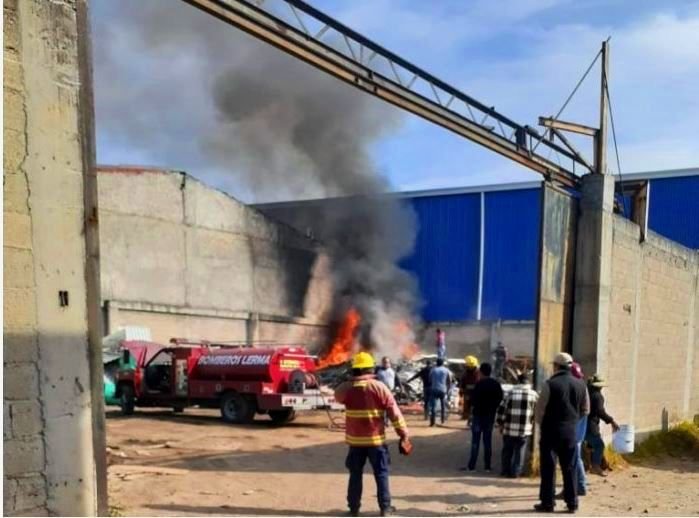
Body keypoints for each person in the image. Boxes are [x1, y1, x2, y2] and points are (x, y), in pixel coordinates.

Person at [335, 352, 410, 517]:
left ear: (355, 369)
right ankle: (385, 508)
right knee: (381, 474)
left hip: (355, 442)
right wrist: (403, 434)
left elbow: (337, 396)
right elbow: (394, 413)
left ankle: (354, 508)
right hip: (376, 441)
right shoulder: (379, 387)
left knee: (355, 474)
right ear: (369, 368)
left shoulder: (346, 388)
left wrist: (350, 380)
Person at [534, 352, 590, 514]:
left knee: (548, 468)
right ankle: (572, 503)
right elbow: (586, 409)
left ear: (556, 366)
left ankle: (548, 503)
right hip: (570, 432)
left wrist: (544, 424)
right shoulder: (581, 385)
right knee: (570, 467)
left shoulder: (550, 384)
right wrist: (572, 421)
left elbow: (539, 411)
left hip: (550, 432)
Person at [496, 372, 538, 478]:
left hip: (509, 429)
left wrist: (500, 423)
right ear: (528, 382)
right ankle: (516, 472)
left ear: (518, 381)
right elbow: (537, 413)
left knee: (507, 450)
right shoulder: (533, 395)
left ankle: (505, 470)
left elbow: (501, 410)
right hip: (524, 429)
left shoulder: (510, 393)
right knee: (520, 451)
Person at [465, 362, 503, 471]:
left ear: (481, 372)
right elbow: (500, 398)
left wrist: (471, 412)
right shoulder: (496, 384)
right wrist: (493, 408)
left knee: (475, 441)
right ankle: (487, 466)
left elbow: (472, 400)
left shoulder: (478, 384)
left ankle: (471, 466)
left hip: (478, 415)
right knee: (487, 441)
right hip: (490, 416)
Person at [586, 374, 619, 477]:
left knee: (590, 445)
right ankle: (595, 466)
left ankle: (592, 465)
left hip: (582, 423)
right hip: (591, 425)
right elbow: (600, 412)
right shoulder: (597, 396)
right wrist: (612, 421)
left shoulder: (587, 392)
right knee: (599, 445)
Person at [428, 358, 452, 426]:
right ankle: (442, 420)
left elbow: (429, 380)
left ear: (437, 363)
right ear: (443, 363)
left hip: (434, 389)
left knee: (433, 406)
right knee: (443, 406)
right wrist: (448, 390)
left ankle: (432, 422)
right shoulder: (446, 370)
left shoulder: (433, 370)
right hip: (443, 390)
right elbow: (449, 381)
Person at [459, 355, 480, 423]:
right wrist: (461, 390)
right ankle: (467, 416)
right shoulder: (475, 372)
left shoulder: (469, 373)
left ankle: (468, 416)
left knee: (469, 405)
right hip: (471, 392)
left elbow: (462, 382)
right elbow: (463, 382)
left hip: (470, 392)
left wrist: (461, 390)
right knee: (468, 405)